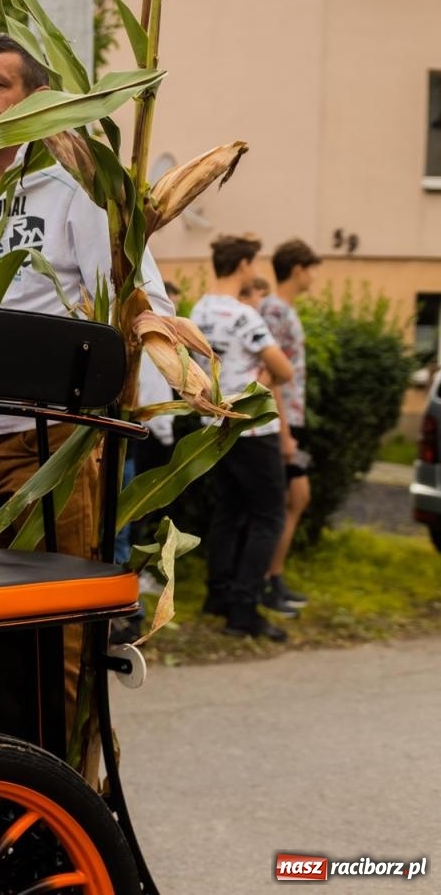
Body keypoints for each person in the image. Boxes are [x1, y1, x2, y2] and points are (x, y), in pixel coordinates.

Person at [0, 33, 174, 557]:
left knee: (57, 616)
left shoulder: (78, 188)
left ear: (38, 100)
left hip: (52, 442)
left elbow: (142, 304)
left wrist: (132, 417)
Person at [191, 233, 294, 641]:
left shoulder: (198, 309)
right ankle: (244, 610)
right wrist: (266, 376)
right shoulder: (243, 315)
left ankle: (218, 595)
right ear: (243, 266)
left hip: (215, 425)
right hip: (252, 426)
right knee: (269, 516)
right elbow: (283, 370)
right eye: (253, 263)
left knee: (229, 510)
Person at [258, 237, 320, 614]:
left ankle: (272, 578)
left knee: (292, 498)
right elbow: (269, 375)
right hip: (279, 421)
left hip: (290, 419)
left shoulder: (280, 309)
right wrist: (281, 430)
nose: (313, 277)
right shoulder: (275, 310)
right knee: (293, 498)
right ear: (298, 269)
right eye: (311, 269)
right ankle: (267, 581)